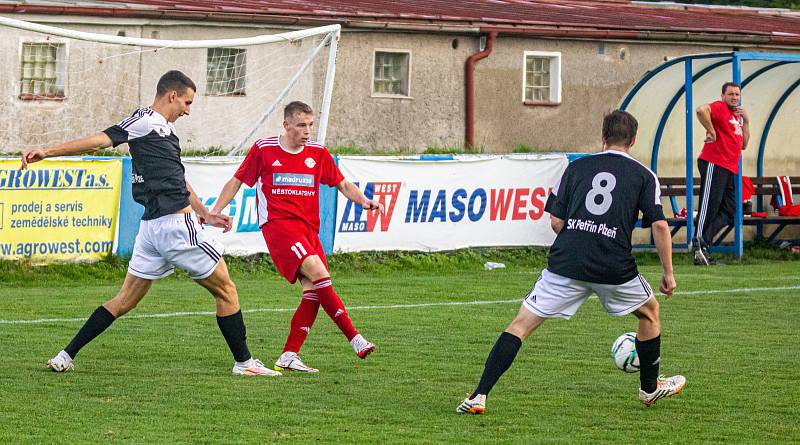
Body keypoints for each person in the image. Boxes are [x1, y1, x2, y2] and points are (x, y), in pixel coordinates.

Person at [22, 70, 280, 377]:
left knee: (124, 300)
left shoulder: (164, 132)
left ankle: (65, 356)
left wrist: (206, 214)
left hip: (152, 229)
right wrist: (47, 152)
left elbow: (179, 180)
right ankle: (245, 363)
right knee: (226, 290)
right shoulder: (144, 121)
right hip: (175, 226)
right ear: (172, 96)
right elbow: (100, 140)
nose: (188, 109)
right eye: (187, 102)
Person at [456, 110, 685, 415]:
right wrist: (668, 272)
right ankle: (649, 388)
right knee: (650, 313)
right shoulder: (644, 175)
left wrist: (581, 238)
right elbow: (658, 225)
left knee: (520, 325)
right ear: (633, 140)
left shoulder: (576, 168)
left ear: (602, 137)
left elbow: (555, 220)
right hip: (612, 264)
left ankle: (479, 395)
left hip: (567, 261)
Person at [211, 101, 383, 373]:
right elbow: (236, 181)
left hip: (308, 229)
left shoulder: (317, 152)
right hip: (278, 226)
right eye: (301, 125)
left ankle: (289, 355)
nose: (307, 131)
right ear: (287, 125)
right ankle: (355, 338)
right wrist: (215, 212)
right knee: (318, 272)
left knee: (314, 289)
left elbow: (341, 183)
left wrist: (363, 201)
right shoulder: (264, 149)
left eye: (310, 125)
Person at [693, 82, 750, 265]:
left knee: (730, 209)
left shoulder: (737, 117)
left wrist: (747, 121)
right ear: (723, 96)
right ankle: (698, 247)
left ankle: (704, 242)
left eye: (737, 95)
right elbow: (701, 110)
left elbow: (744, 145)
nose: (735, 97)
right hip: (714, 163)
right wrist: (711, 131)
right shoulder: (719, 107)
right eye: (731, 94)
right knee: (709, 206)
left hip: (730, 168)